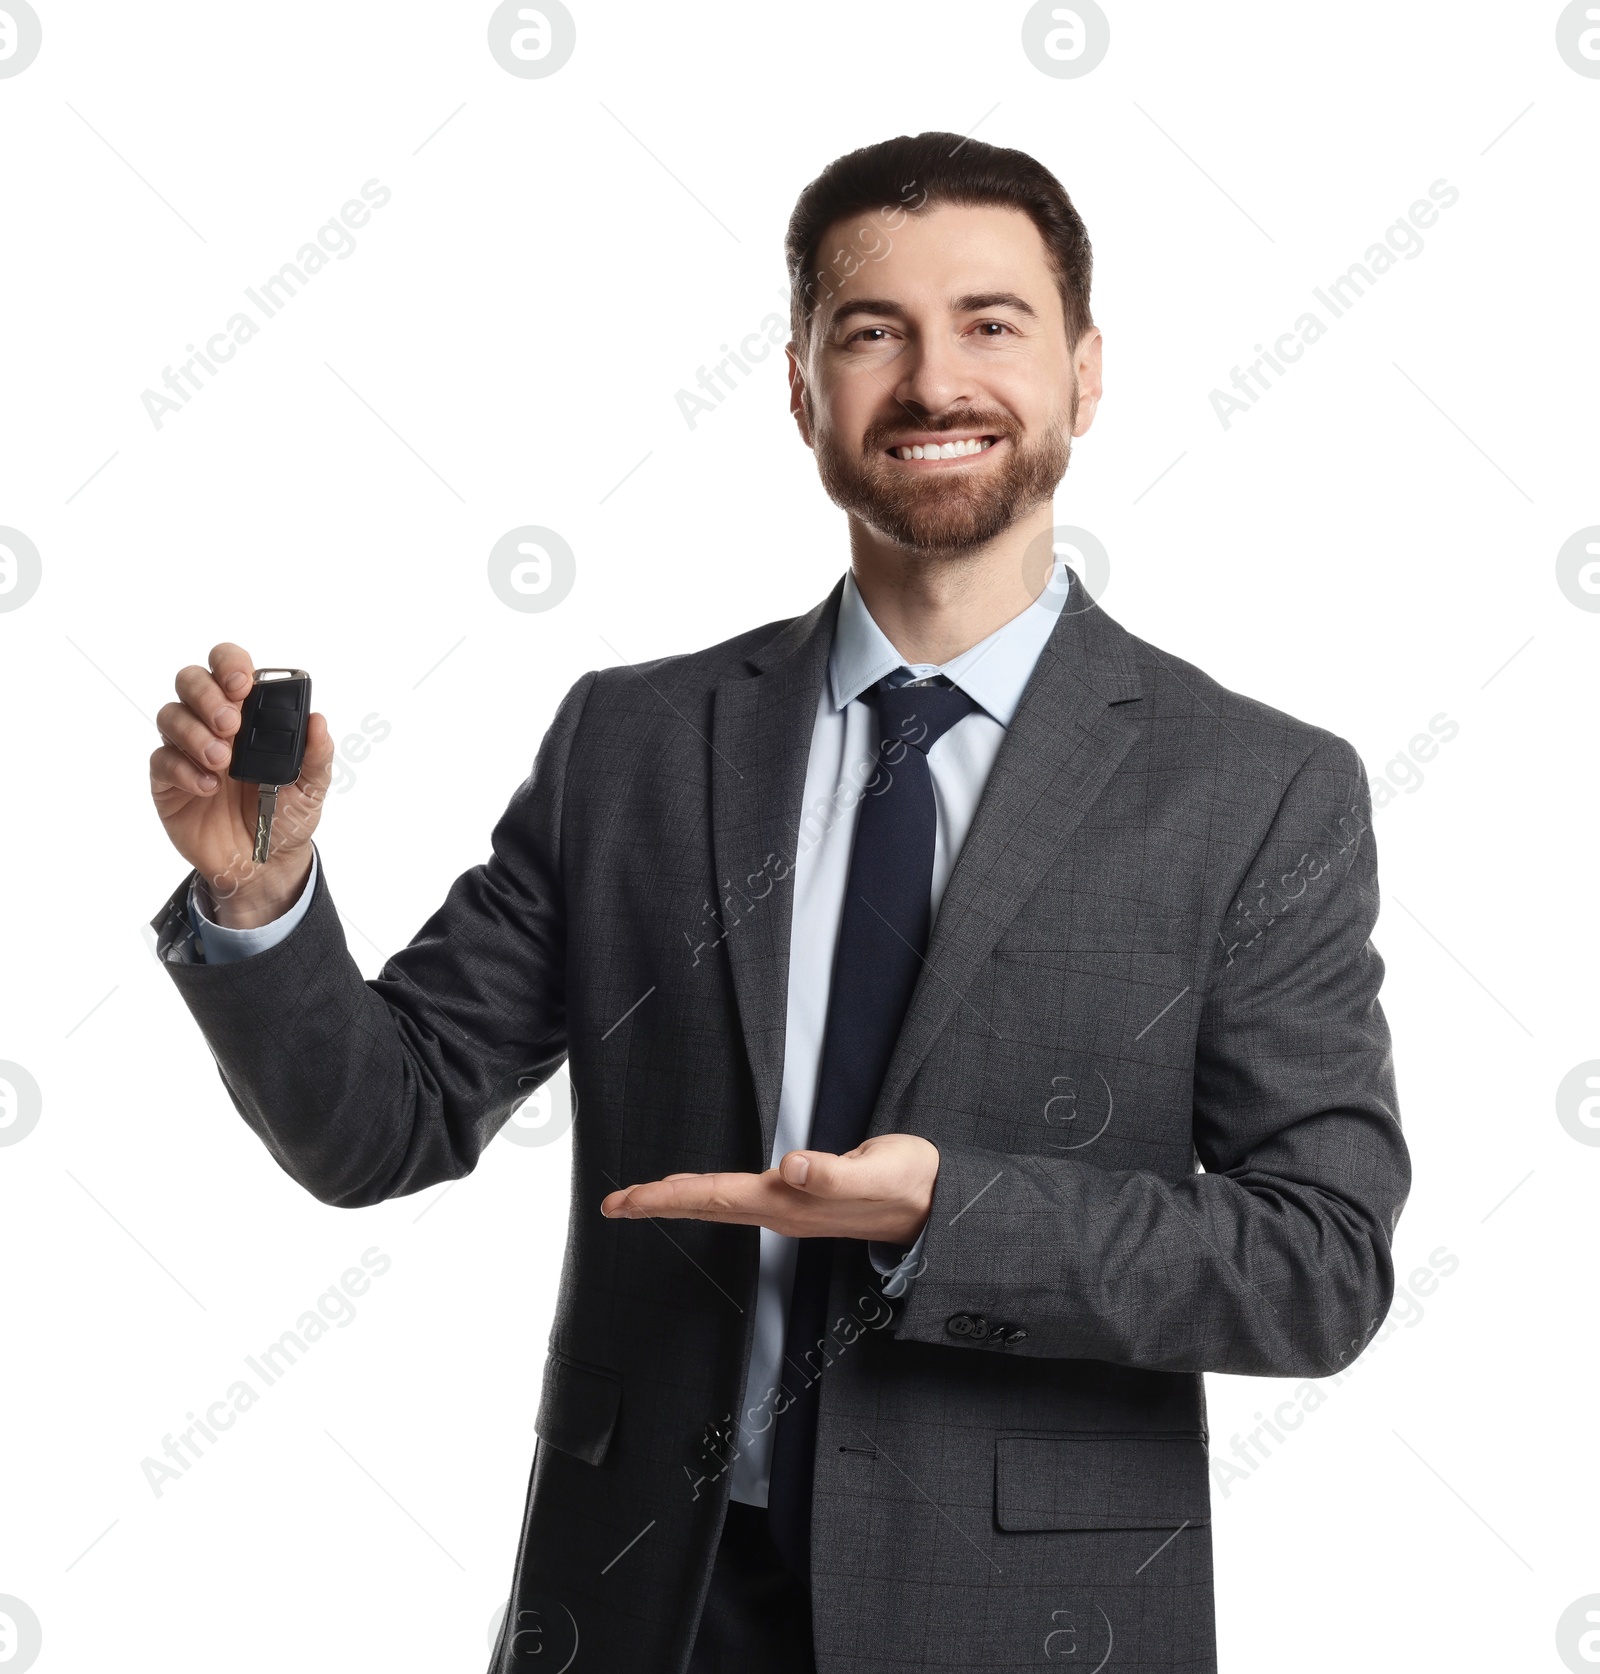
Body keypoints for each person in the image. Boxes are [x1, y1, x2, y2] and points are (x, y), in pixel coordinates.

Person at [147, 131, 1410, 1673]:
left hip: (1021, 1626)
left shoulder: (1257, 789)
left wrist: (948, 1213)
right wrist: (262, 900)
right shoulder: (634, 742)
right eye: (874, 330)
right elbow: (386, 1122)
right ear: (805, 387)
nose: (935, 379)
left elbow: (1319, 1264)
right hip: (648, 1607)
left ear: (1086, 375)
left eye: (991, 324)